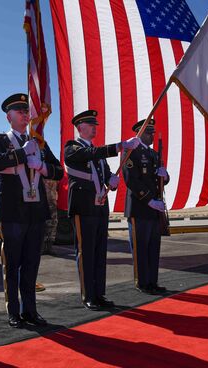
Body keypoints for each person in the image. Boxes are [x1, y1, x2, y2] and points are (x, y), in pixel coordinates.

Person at [0, 93, 63, 328]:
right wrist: (22, 154)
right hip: (12, 213)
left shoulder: (38, 141)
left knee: (31, 263)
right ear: (9, 117)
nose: (25, 115)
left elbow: (58, 171)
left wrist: (40, 165)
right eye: (19, 112)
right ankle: (13, 311)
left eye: (26, 111)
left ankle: (30, 309)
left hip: (35, 212)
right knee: (12, 264)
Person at [64, 110, 140, 311]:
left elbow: (105, 174)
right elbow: (87, 155)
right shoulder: (72, 148)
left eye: (95, 124)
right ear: (80, 127)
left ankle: (99, 293)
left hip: (99, 207)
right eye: (90, 124)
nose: (94, 127)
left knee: (99, 253)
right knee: (85, 252)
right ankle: (88, 295)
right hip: (83, 207)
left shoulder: (97, 153)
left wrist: (112, 182)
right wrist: (119, 146)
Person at [122, 118, 169, 295]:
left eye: (153, 132)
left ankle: (152, 281)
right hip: (139, 207)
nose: (152, 135)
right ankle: (142, 282)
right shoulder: (130, 150)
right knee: (140, 247)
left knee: (153, 247)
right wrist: (149, 200)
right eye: (149, 132)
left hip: (154, 209)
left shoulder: (154, 154)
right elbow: (131, 180)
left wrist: (165, 176)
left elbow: (160, 179)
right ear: (140, 133)